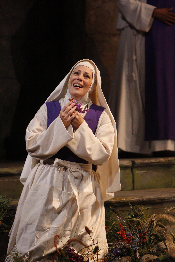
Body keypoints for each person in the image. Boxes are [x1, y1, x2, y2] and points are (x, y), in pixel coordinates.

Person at [6, 59, 120, 261]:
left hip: (82, 186)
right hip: (47, 183)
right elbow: (32, 143)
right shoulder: (49, 109)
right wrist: (61, 125)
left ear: (93, 85)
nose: (80, 78)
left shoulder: (101, 117)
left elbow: (103, 153)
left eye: (87, 76)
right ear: (69, 78)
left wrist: (81, 128)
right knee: (37, 247)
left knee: (81, 248)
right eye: (76, 73)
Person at [108, 0, 175, 155]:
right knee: (134, 89)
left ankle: (164, 143)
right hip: (139, 35)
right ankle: (132, 145)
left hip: (166, 38)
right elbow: (124, 3)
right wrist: (153, 12)